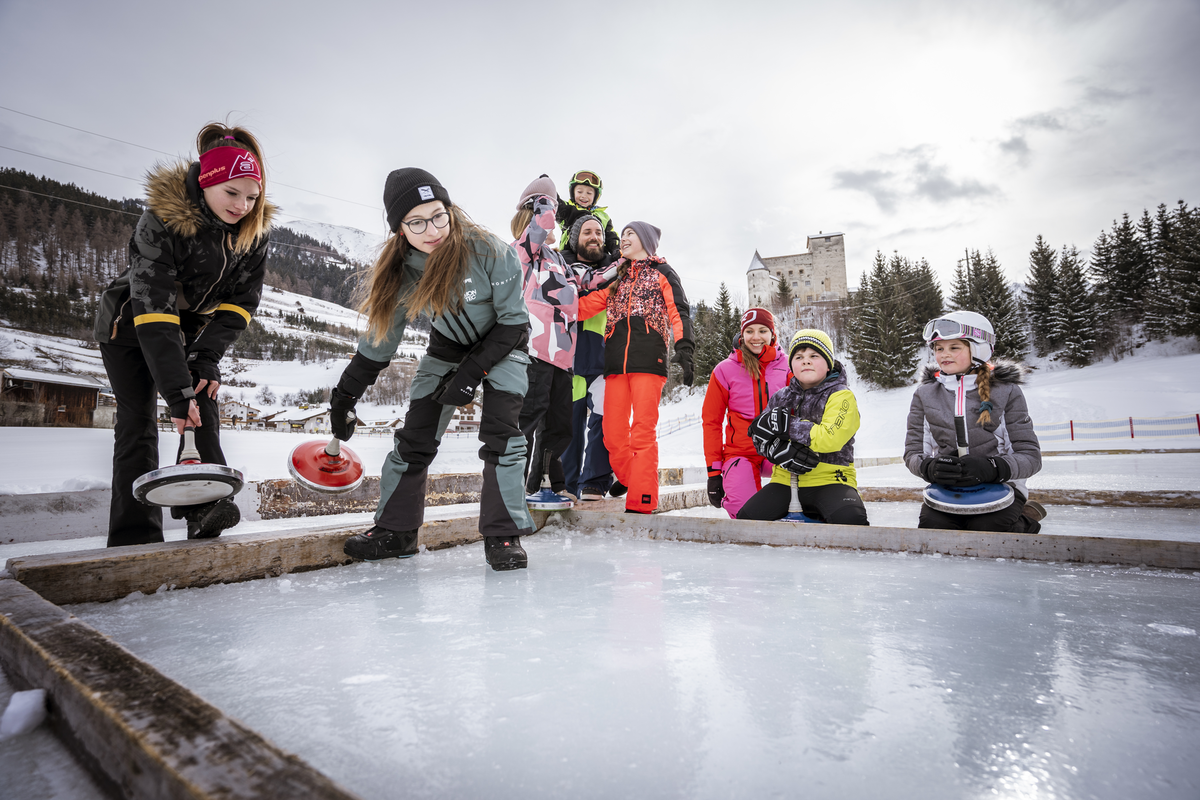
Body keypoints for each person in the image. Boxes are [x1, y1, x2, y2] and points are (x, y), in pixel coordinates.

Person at [331, 168, 534, 571]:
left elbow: (514, 323)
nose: (433, 230)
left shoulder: (490, 250)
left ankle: (503, 533)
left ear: (449, 210)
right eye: (417, 222)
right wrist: (345, 394)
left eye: (439, 215)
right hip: (447, 350)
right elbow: (380, 341)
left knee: (503, 436)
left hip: (504, 346)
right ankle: (396, 531)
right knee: (415, 436)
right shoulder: (403, 270)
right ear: (399, 229)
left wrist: (470, 375)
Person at [94, 123, 274, 546]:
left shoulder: (254, 232)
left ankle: (204, 509)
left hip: (190, 328)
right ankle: (135, 538)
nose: (242, 206)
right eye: (232, 193)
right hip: (131, 325)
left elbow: (241, 303)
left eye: (252, 197)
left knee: (202, 402)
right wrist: (177, 393)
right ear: (207, 182)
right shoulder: (161, 220)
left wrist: (205, 358)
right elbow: (154, 310)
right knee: (138, 424)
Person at [510, 176, 611, 501]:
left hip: (563, 357)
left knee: (559, 426)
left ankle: (551, 486)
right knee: (528, 421)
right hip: (534, 351)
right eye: (544, 218)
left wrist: (623, 264)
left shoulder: (559, 260)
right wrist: (546, 194)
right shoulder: (522, 253)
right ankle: (512, 490)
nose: (550, 225)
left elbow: (590, 279)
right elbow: (540, 225)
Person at [904, 310, 1045, 533]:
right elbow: (913, 452)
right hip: (949, 488)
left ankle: (1027, 518)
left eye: (954, 347)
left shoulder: (1006, 391)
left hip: (1002, 485)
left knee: (988, 528)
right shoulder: (925, 394)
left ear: (979, 348)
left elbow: (1030, 456)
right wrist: (929, 468)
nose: (944, 354)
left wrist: (993, 468)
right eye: (939, 349)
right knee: (934, 529)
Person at [599, 222, 693, 513]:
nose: (624, 238)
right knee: (612, 433)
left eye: (630, 233)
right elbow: (590, 303)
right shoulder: (618, 276)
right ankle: (631, 477)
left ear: (646, 241)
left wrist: (684, 348)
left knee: (642, 431)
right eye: (622, 234)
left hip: (649, 360)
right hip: (616, 362)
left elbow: (678, 309)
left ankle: (642, 499)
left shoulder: (662, 272)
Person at [738, 329, 869, 525]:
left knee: (851, 521)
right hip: (784, 480)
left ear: (828, 364)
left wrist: (787, 425)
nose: (806, 361)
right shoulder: (781, 396)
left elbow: (829, 438)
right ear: (792, 365)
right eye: (799, 357)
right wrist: (774, 449)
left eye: (814, 356)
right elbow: (760, 437)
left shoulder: (842, 396)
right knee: (745, 521)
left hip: (832, 479)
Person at [702, 308, 790, 518]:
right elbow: (712, 422)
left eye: (762, 331)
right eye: (750, 331)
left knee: (799, 498)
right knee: (744, 511)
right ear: (742, 335)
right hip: (741, 453)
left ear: (772, 334)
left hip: (779, 450)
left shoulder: (788, 366)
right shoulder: (724, 370)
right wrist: (714, 472)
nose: (756, 337)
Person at [560, 214, 618, 500]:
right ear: (575, 239)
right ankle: (565, 485)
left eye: (598, 232)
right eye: (587, 232)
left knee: (604, 420)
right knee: (566, 426)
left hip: (602, 358)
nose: (594, 236)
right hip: (566, 359)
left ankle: (594, 482)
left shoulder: (616, 271)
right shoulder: (559, 267)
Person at [556, 170, 618, 257]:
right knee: (564, 258)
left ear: (595, 196)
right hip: (571, 255)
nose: (584, 196)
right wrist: (546, 187)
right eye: (579, 192)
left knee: (608, 260)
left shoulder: (603, 217)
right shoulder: (568, 210)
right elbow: (555, 203)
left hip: (597, 254)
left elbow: (611, 237)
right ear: (573, 193)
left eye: (589, 193)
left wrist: (616, 249)